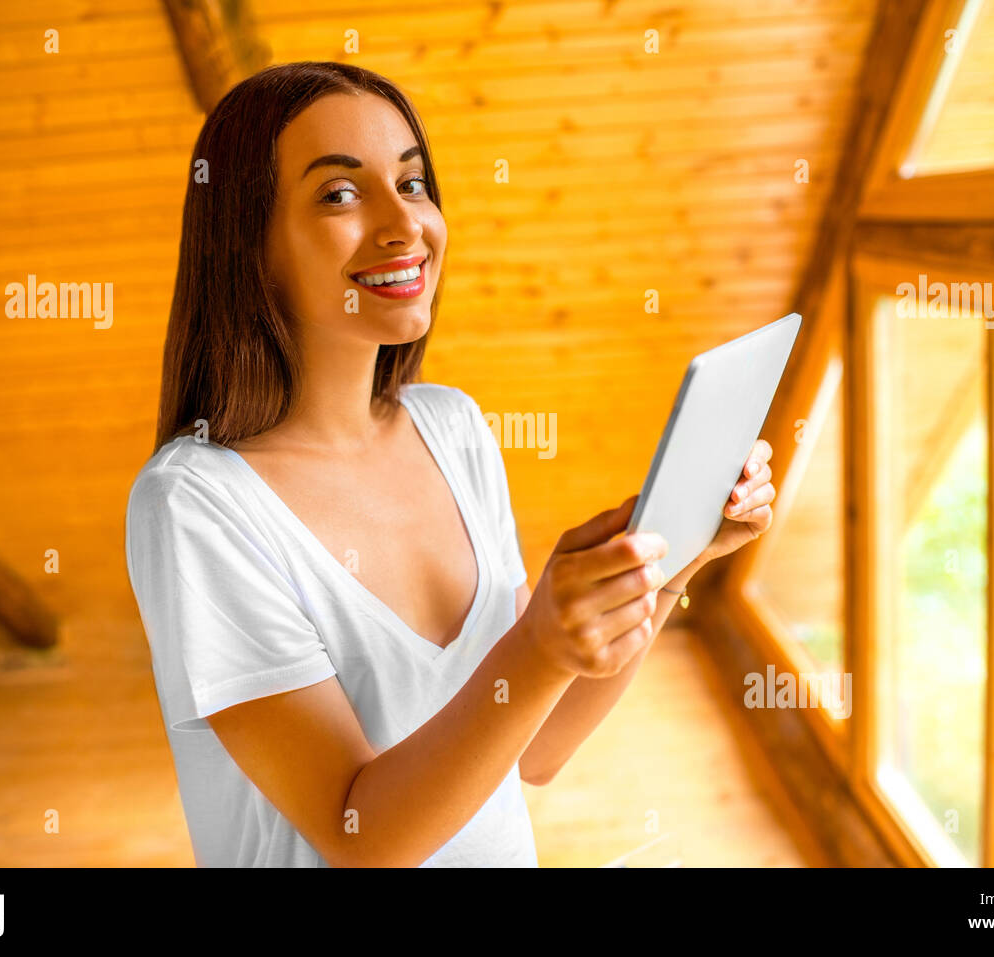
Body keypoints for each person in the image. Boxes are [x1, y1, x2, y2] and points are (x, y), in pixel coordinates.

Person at [124, 61, 777, 867]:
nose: (405, 225)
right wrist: (538, 642)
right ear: (247, 242)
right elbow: (361, 832)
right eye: (339, 193)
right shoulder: (193, 502)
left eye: (412, 183)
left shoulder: (453, 427)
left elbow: (534, 750)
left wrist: (672, 563)